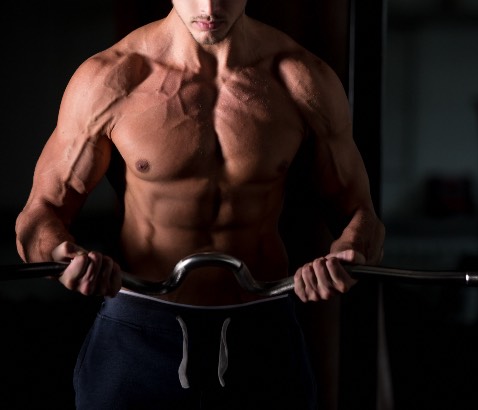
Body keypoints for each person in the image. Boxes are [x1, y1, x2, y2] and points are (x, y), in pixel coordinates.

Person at [15, 1, 385, 409]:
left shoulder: (300, 78)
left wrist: (346, 256)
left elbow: (361, 214)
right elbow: (40, 215)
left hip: (261, 331)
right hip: (140, 330)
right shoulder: (112, 79)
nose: (209, 6)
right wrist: (60, 254)